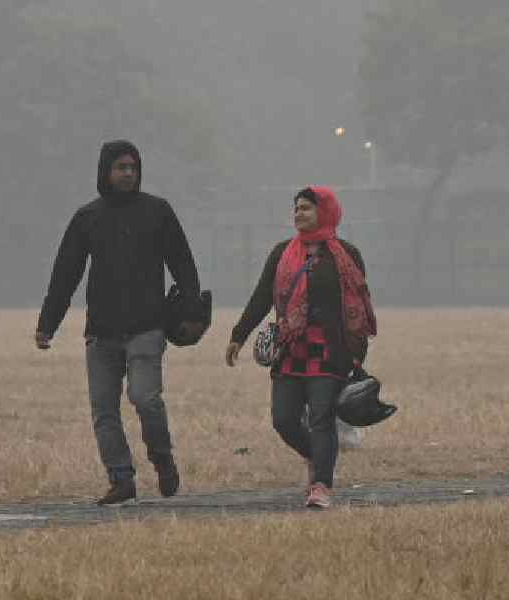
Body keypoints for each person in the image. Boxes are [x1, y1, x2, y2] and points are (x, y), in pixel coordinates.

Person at [35, 140, 204, 506]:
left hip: (147, 327)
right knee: (104, 410)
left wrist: (192, 313)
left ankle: (162, 458)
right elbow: (66, 273)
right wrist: (48, 323)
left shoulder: (158, 212)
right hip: (102, 332)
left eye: (133, 167)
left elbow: (183, 264)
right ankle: (121, 478)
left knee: (145, 399)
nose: (128, 173)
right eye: (121, 167)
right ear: (105, 172)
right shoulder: (87, 218)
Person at [224, 186, 376, 509]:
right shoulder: (282, 253)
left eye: (306, 208)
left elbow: (358, 306)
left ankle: (321, 484)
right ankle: (315, 455)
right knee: (284, 419)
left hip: (330, 353)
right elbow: (263, 295)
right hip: (290, 350)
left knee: (321, 417)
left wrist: (356, 354)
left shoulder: (346, 255)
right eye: (296, 208)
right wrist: (239, 334)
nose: (298, 214)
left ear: (325, 211)